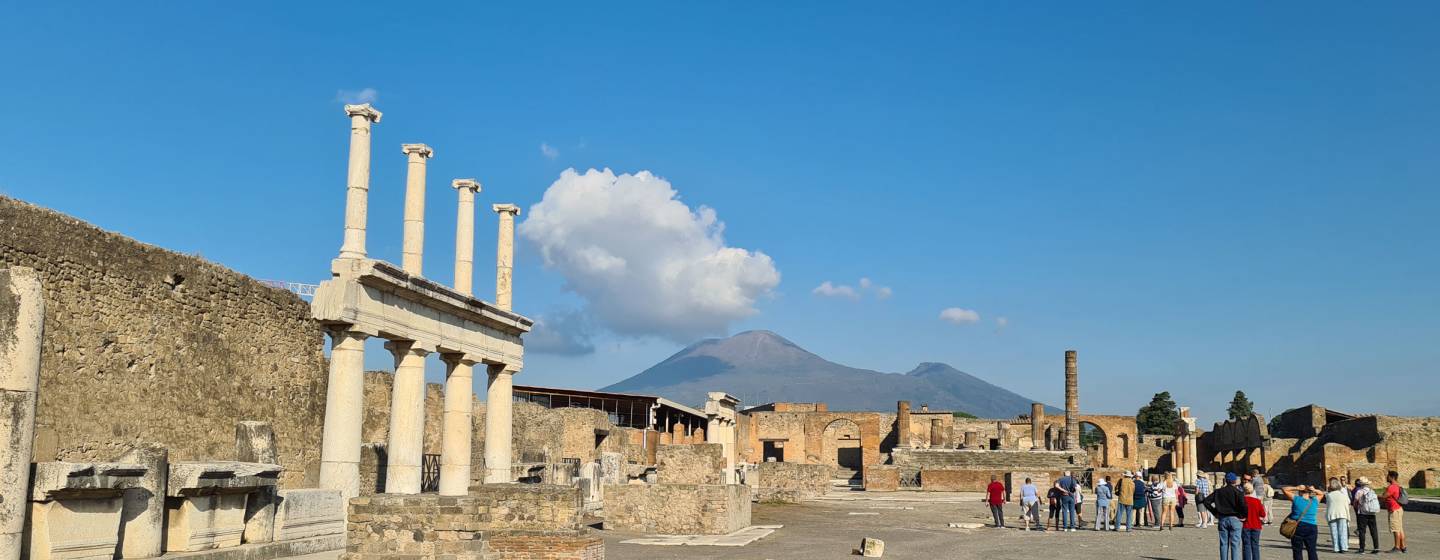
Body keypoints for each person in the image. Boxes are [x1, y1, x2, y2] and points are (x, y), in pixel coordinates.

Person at [1200, 472, 1248, 560]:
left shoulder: (1218, 492)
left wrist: (1215, 513)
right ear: (1235, 481)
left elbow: (1206, 501)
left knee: (1223, 543)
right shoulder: (1238, 492)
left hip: (1222, 518)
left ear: (1225, 480)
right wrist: (1243, 516)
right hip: (1235, 519)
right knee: (1235, 544)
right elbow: (1243, 506)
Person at [1282, 484, 1322, 560]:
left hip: (1297, 526)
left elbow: (1284, 489)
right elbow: (1321, 493)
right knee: (1312, 550)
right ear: (1310, 492)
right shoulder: (1315, 500)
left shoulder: (1296, 499)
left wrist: (1296, 487)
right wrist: (1314, 490)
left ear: (1300, 492)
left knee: (1297, 550)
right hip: (1311, 526)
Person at [1352, 477, 1381, 554]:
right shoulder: (1372, 491)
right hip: (1372, 513)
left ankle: (1362, 549)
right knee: (1374, 531)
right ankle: (1376, 548)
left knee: (1362, 531)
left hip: (1362, 513)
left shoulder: (1359, 492)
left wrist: (1356, 507)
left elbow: (1355, 503)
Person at [1325, 477, 1352, 553]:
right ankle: (1343, 547)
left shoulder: (1329, 495)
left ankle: (1336, 547)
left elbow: (1328, 505)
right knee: (1342, 531)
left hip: (1332, 513)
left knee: (1334, 531)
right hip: (1342, 513)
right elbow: (1348, 503)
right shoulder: (1343, 495)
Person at [1241, 482, 1266, 560]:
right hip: (1256, 525)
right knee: (1255, 545)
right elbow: (1263, 514)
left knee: (1246, 545)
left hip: (1246, 525)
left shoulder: (1241, 501)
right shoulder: (1257, 501)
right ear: (1252, 491)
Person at [1382, 471, 1406, 554]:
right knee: (1400, 529)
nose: (1386, 477)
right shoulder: (1397, 486)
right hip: (1398, 509)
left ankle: (1397, 547)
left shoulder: (1391, 487)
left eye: (1387, 476)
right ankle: (1403, 546)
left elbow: (1384, 496)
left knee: (1395, 529)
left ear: (1392, 477)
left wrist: (1375, 495)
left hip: (1394, 510)